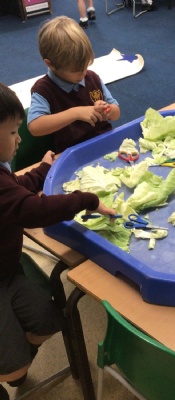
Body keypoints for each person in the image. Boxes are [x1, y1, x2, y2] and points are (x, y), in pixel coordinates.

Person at [0, 82, 118, 400]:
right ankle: (11, 371)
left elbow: (14, 189)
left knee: (49, 320)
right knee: (14, 369)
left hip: (8, 272)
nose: (19, 138)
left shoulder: (2, 174)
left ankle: (14, 361)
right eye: (12, 132)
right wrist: (87, 199)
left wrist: (42, 171)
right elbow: (31, 210)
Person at [28, 16, 120, 154]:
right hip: (73, 154)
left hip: (104, 144)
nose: (83, 73)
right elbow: (35, 127)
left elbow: (116, 113)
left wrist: (107, 110)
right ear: (50, 64)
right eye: (75, 71)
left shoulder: (92, 78)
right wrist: (75, 113)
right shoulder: (43, 90)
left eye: (85, 66)